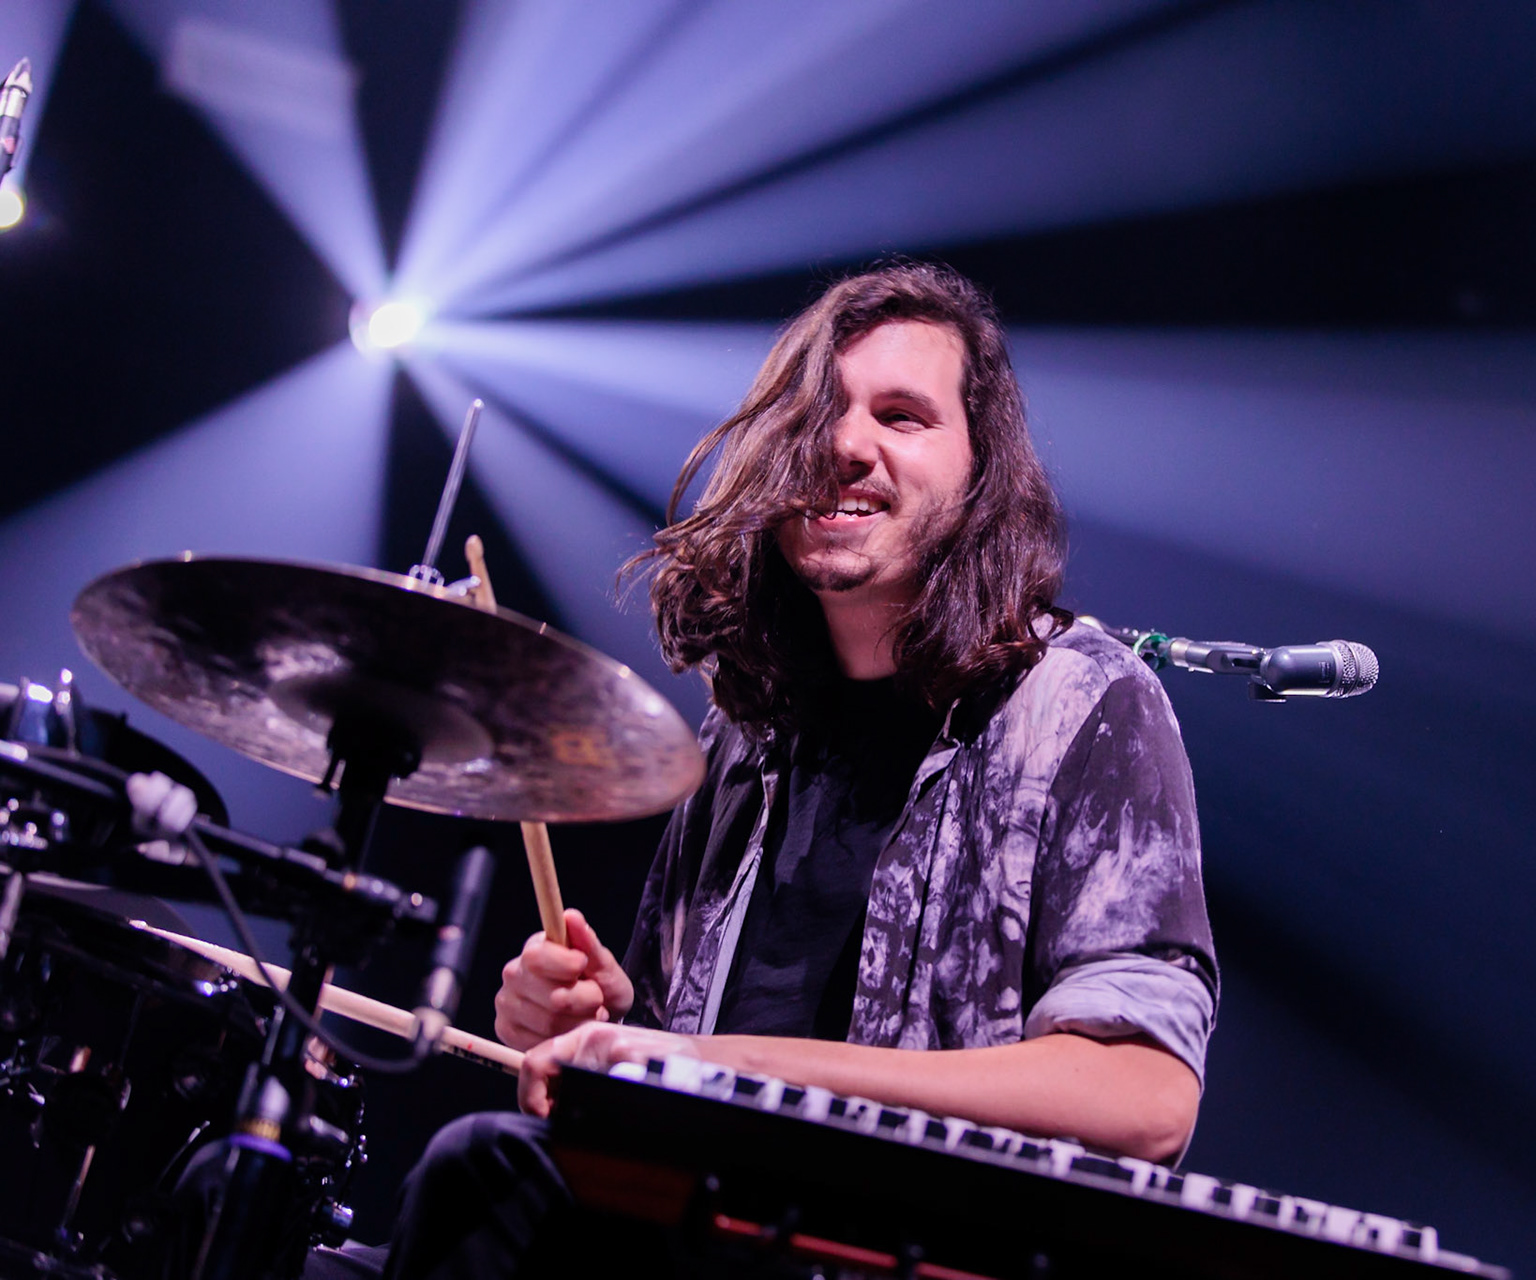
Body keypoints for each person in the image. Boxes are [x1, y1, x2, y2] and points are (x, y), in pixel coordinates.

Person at [384, 262, 1218, 1278]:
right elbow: (676, 1054)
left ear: (981, 468)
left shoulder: (1084, 702)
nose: (842, 444)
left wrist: (724, 1070)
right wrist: (607, 1030)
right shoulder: (747, 738)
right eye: (817, 412)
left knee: (483, 1175)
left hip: (906, 1246)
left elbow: (1146, 1097)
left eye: (902, 416)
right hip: (704, 1225)